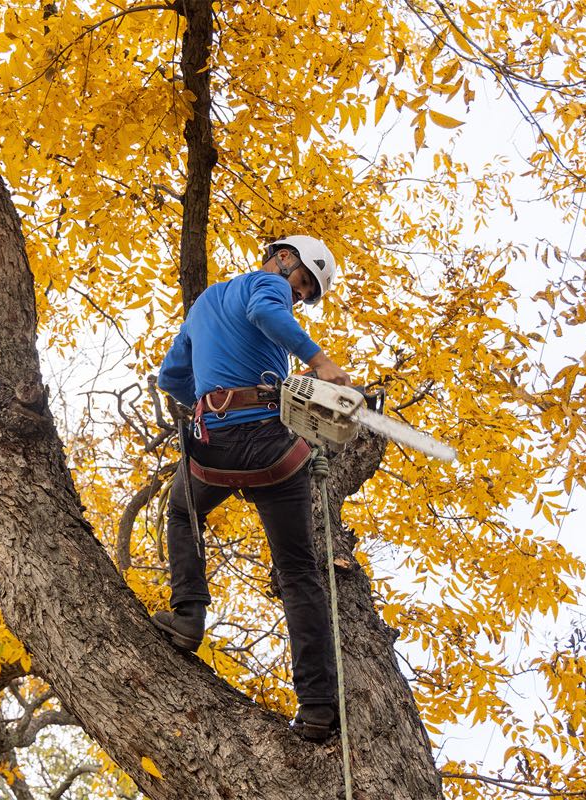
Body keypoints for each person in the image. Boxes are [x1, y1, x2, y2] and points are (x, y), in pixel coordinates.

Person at [155, 234, 351, 740]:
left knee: (182, 513)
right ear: (284, 258)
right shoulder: (266, 284)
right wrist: (319, 360)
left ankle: (188, 616)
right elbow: (268, 312)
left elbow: (171, 377)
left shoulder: (204, 306)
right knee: (298, 573)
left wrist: (206, 392)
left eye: (307, 291)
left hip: (214, 449)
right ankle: (318, 708)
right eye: (302, 280)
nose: (298, 294)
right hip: (271, 450)